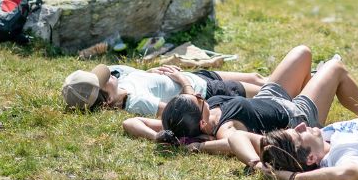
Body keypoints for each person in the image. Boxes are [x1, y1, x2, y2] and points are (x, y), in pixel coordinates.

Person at [121, 45, 358, 151]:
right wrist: (199, 147)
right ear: (202, 124)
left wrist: (164, 137)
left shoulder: (182, 125)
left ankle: (321, 88)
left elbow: (130, 123)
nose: (199, 95)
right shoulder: (225, 130)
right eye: (199, 101)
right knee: (335, 68)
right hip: (294, 113)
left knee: (302, 52)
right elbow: (233, 144)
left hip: (270, 95)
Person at [62, 62, 266, 116]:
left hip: (199, 77)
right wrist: (182, 81)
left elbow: (143, 81)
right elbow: (189, 110)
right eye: (106, 79)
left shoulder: (120, 84)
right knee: (271, 91)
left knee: (258, 78)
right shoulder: (136, 102)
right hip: (207, 91)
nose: (111, 75)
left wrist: (150, 73)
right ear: (106, 100)